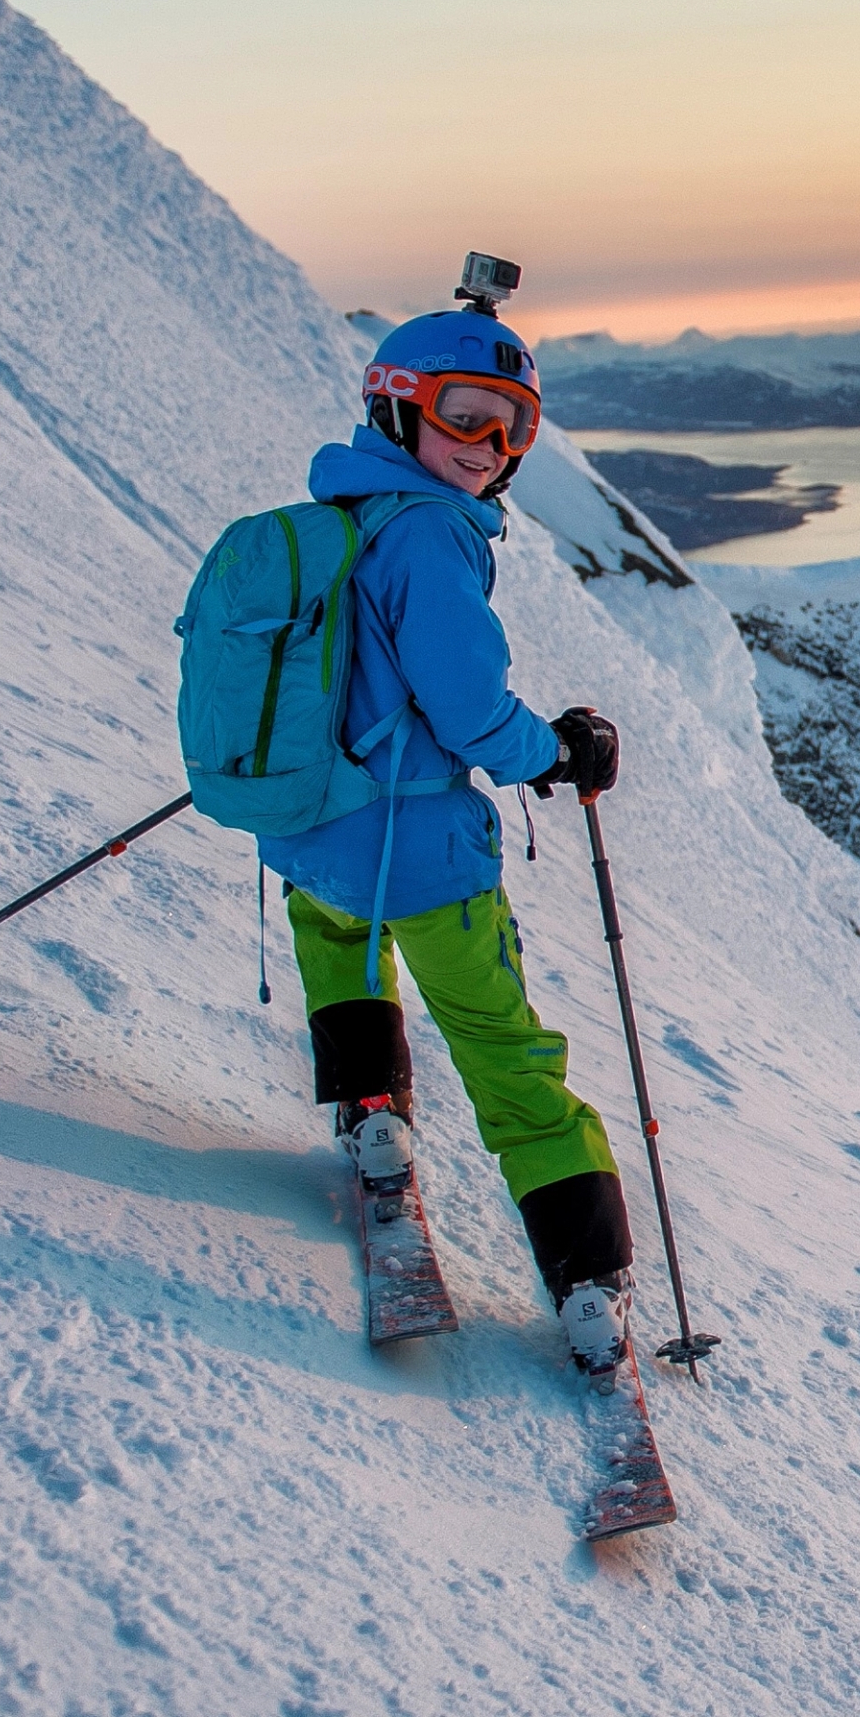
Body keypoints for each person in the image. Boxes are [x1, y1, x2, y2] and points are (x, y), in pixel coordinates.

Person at [268, 304, 639, 1371]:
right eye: (464, 416)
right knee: (502, 1048)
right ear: (396, 404)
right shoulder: (430, 539)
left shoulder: (344, 510)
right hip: (422, 852)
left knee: (340, 952)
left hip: (310, 830)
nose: (489, 448)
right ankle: (585, 1276)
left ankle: (372, 1111)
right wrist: (561, 750)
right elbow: (475, 715)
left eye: (513, 427)